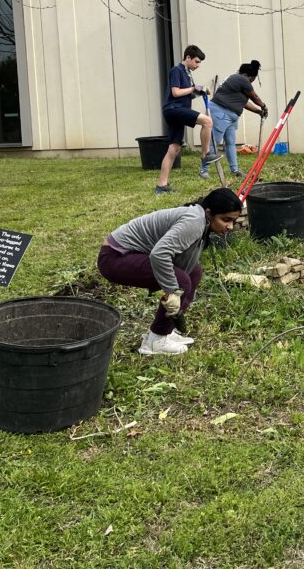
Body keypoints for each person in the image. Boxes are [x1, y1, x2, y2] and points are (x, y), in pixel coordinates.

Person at [97, 188, 242, 355]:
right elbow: (159, 255)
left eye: (233, 221)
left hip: (132, 254)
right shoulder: (194, 222)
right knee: (181, 282)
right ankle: (156, 341)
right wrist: (173, 291)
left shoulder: (201, 219)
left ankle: (164, 332)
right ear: (209, 213)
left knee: (194, 272)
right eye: (226, 220)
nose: (230, 226)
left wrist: (179, 293)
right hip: (115, 257)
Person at [156, 44, 221, 195]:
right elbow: (176, 92)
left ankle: (161, 186)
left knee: (174, 148)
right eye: (197, 61)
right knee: (207, 121)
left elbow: (188, 94)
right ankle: (205, 155)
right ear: (188, 58)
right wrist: (193, 88)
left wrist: (200, 91)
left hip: (177, 110)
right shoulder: (177, 70)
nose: (198, 65)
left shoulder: (187, 73)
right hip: (174, 109)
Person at [202, 61, 268, 179]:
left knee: (231, 143)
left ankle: (235, 170)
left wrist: (258, 111)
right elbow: (255, 97)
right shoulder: (241, 79)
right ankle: (204, 170)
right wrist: (263, 106)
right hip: (220, 113)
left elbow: (244, 102)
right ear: (248, 76)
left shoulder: (236, 81)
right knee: (214, 142)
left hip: (231, 116)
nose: (251, 82)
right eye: (252, 80)